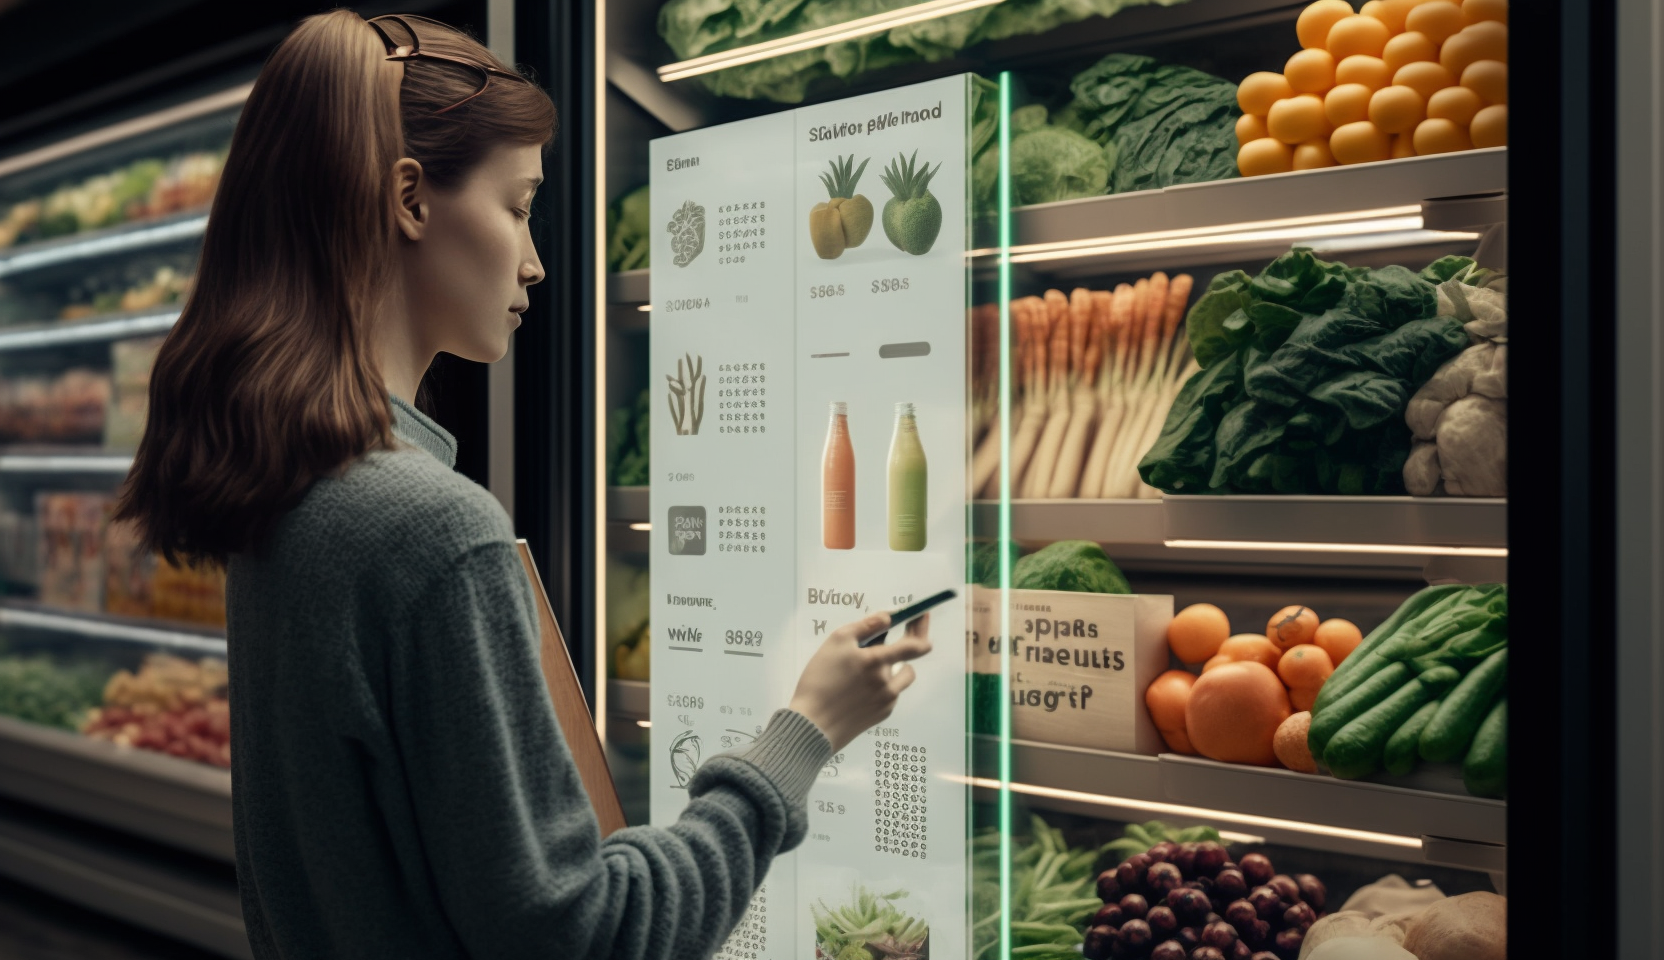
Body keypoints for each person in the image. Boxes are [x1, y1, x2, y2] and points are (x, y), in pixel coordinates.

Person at [115, 11, 932, 959]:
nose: (536, 259)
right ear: (411, 199)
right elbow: (582, 935)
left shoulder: (287, 495)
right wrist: (803, 734)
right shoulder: (430, 532)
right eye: (518, 205)